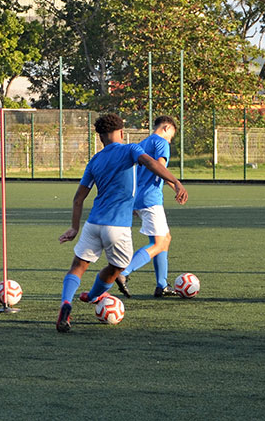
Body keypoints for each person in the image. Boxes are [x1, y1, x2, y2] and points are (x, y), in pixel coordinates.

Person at [55, 114, 188, 332]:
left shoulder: (94, 161)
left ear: (100, 138)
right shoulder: (131, 150)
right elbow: (151, 163)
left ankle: (66, 304)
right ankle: (95, 295)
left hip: (93, 223)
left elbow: (78, 198)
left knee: (78, 267)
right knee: (117, 268)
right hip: (117, 226)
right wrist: (175, 181)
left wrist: (74, 227)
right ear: (122, 133)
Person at [114, 115, 181, 298]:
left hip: (139, 197)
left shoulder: (142, 144)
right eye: (172, 135)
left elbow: (137, 172)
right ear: (166, 128)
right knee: (159, 243)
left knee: (164, 239)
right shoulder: (161, 142)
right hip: (151, 198)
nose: (170, 140)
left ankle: (162, 285)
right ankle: (123, 272)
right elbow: (159, 167)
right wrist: (177, 184)